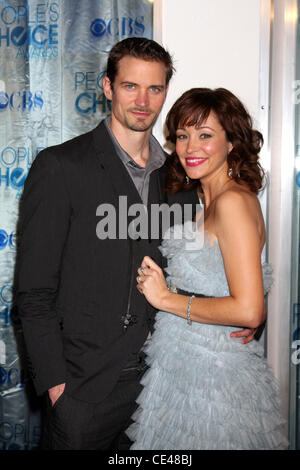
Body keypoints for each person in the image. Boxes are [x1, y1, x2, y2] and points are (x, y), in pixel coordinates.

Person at [16, 38, 255, 450]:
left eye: (155, 89)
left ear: (166, 92)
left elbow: (196, 266)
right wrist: (55, 384)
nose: (143, 101)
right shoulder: (61, 167)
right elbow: (33, 293)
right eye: (130, 86)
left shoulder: (182, 180)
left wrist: (239, 314)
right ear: (108, 87)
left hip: (165, 384)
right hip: (85, 389)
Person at [126, 88, 289, 450]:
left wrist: (166, 299)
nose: (190, 147)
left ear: (232, 142)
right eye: (183, 136)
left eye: (205, 135)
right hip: (184, 369)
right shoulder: (205, 201)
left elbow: (249, 309)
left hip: (213, 382)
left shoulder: (232, 202)